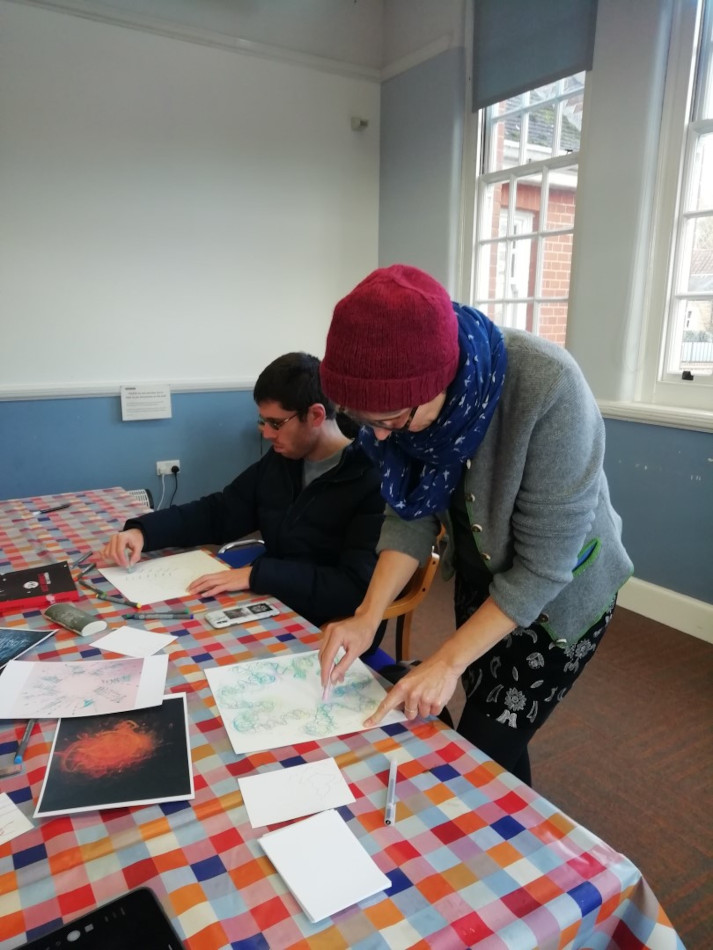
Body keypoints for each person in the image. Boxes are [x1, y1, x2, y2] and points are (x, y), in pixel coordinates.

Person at [318, 265, 633, 784]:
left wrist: (445, 660)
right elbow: (409, 513)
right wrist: (367, 615)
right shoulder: (401, 407)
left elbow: (543, 568)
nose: (376, 437)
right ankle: (514, 832)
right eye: (359, 419)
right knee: (500, 738)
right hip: (480, 573)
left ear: (438, 384)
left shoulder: (547, 385)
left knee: (479, 754)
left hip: (559, 597)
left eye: (390, 420)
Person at [98, 352, 385, 628]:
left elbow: (352, 587)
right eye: (263, 421)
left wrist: (257, 575)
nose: (267, 433)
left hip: (325, 621)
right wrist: (143, 532)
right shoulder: (282, 460)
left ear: (316, 415)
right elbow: (220, 512)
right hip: (273, 598)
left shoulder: (370, 479)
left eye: (276, 423)